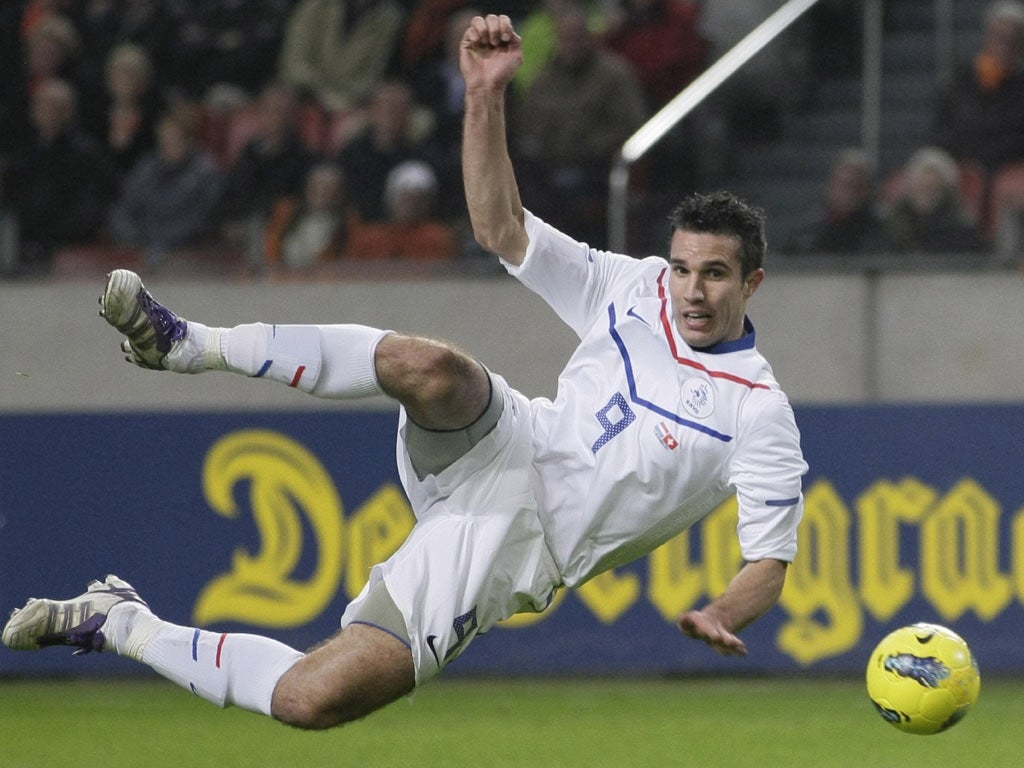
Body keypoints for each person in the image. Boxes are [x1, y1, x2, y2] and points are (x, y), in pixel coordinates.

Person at [2, 14, 806, 732]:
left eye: (715, 275)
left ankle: (119, 622)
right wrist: (485, 94)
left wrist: (721, 611)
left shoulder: (758, 410)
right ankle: (186, 343)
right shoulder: (637, 288)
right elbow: (501, 228)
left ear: (752, 283)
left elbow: (768, 560)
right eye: (683, 269)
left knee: (310, 700)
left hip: (516, 546)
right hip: (505, 440)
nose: (691, 291)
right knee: (430, 367)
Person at [107, 103, 224, 268]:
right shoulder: (147, 168)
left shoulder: (205, 173)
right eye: (164, 141)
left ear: (189, 140)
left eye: (175, 140)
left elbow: (201, 219)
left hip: (185, 252)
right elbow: (123, 209)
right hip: (142, 245)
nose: (168, 147)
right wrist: (137, 238)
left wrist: (162, 241)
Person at [934, 0, 1024, 176]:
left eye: (1013, 39)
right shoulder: (962, 82)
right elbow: (942, 131)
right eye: (1000, 37)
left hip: (1011, 171)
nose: (1005, 45)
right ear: (988, 37)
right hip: (965, 168)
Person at [882, 146, 989, 254]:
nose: (926, 189)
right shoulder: (890, 225)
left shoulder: (961, 228)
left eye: (932, 188)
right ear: (911, 185)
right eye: (921, 186)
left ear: (945, 189)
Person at [346, 159, 458, 261]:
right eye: (404, 197)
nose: (410, 204)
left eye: (417, 198)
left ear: (428, 203)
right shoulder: (367, 239)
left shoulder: (439, 239)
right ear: (390, 198)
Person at [788, 148, 887, 254]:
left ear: (866, 191)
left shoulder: (879, 234)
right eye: (841, 184)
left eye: (854, 186)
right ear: (830, 186)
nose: (846, 193)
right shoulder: (808, 232)